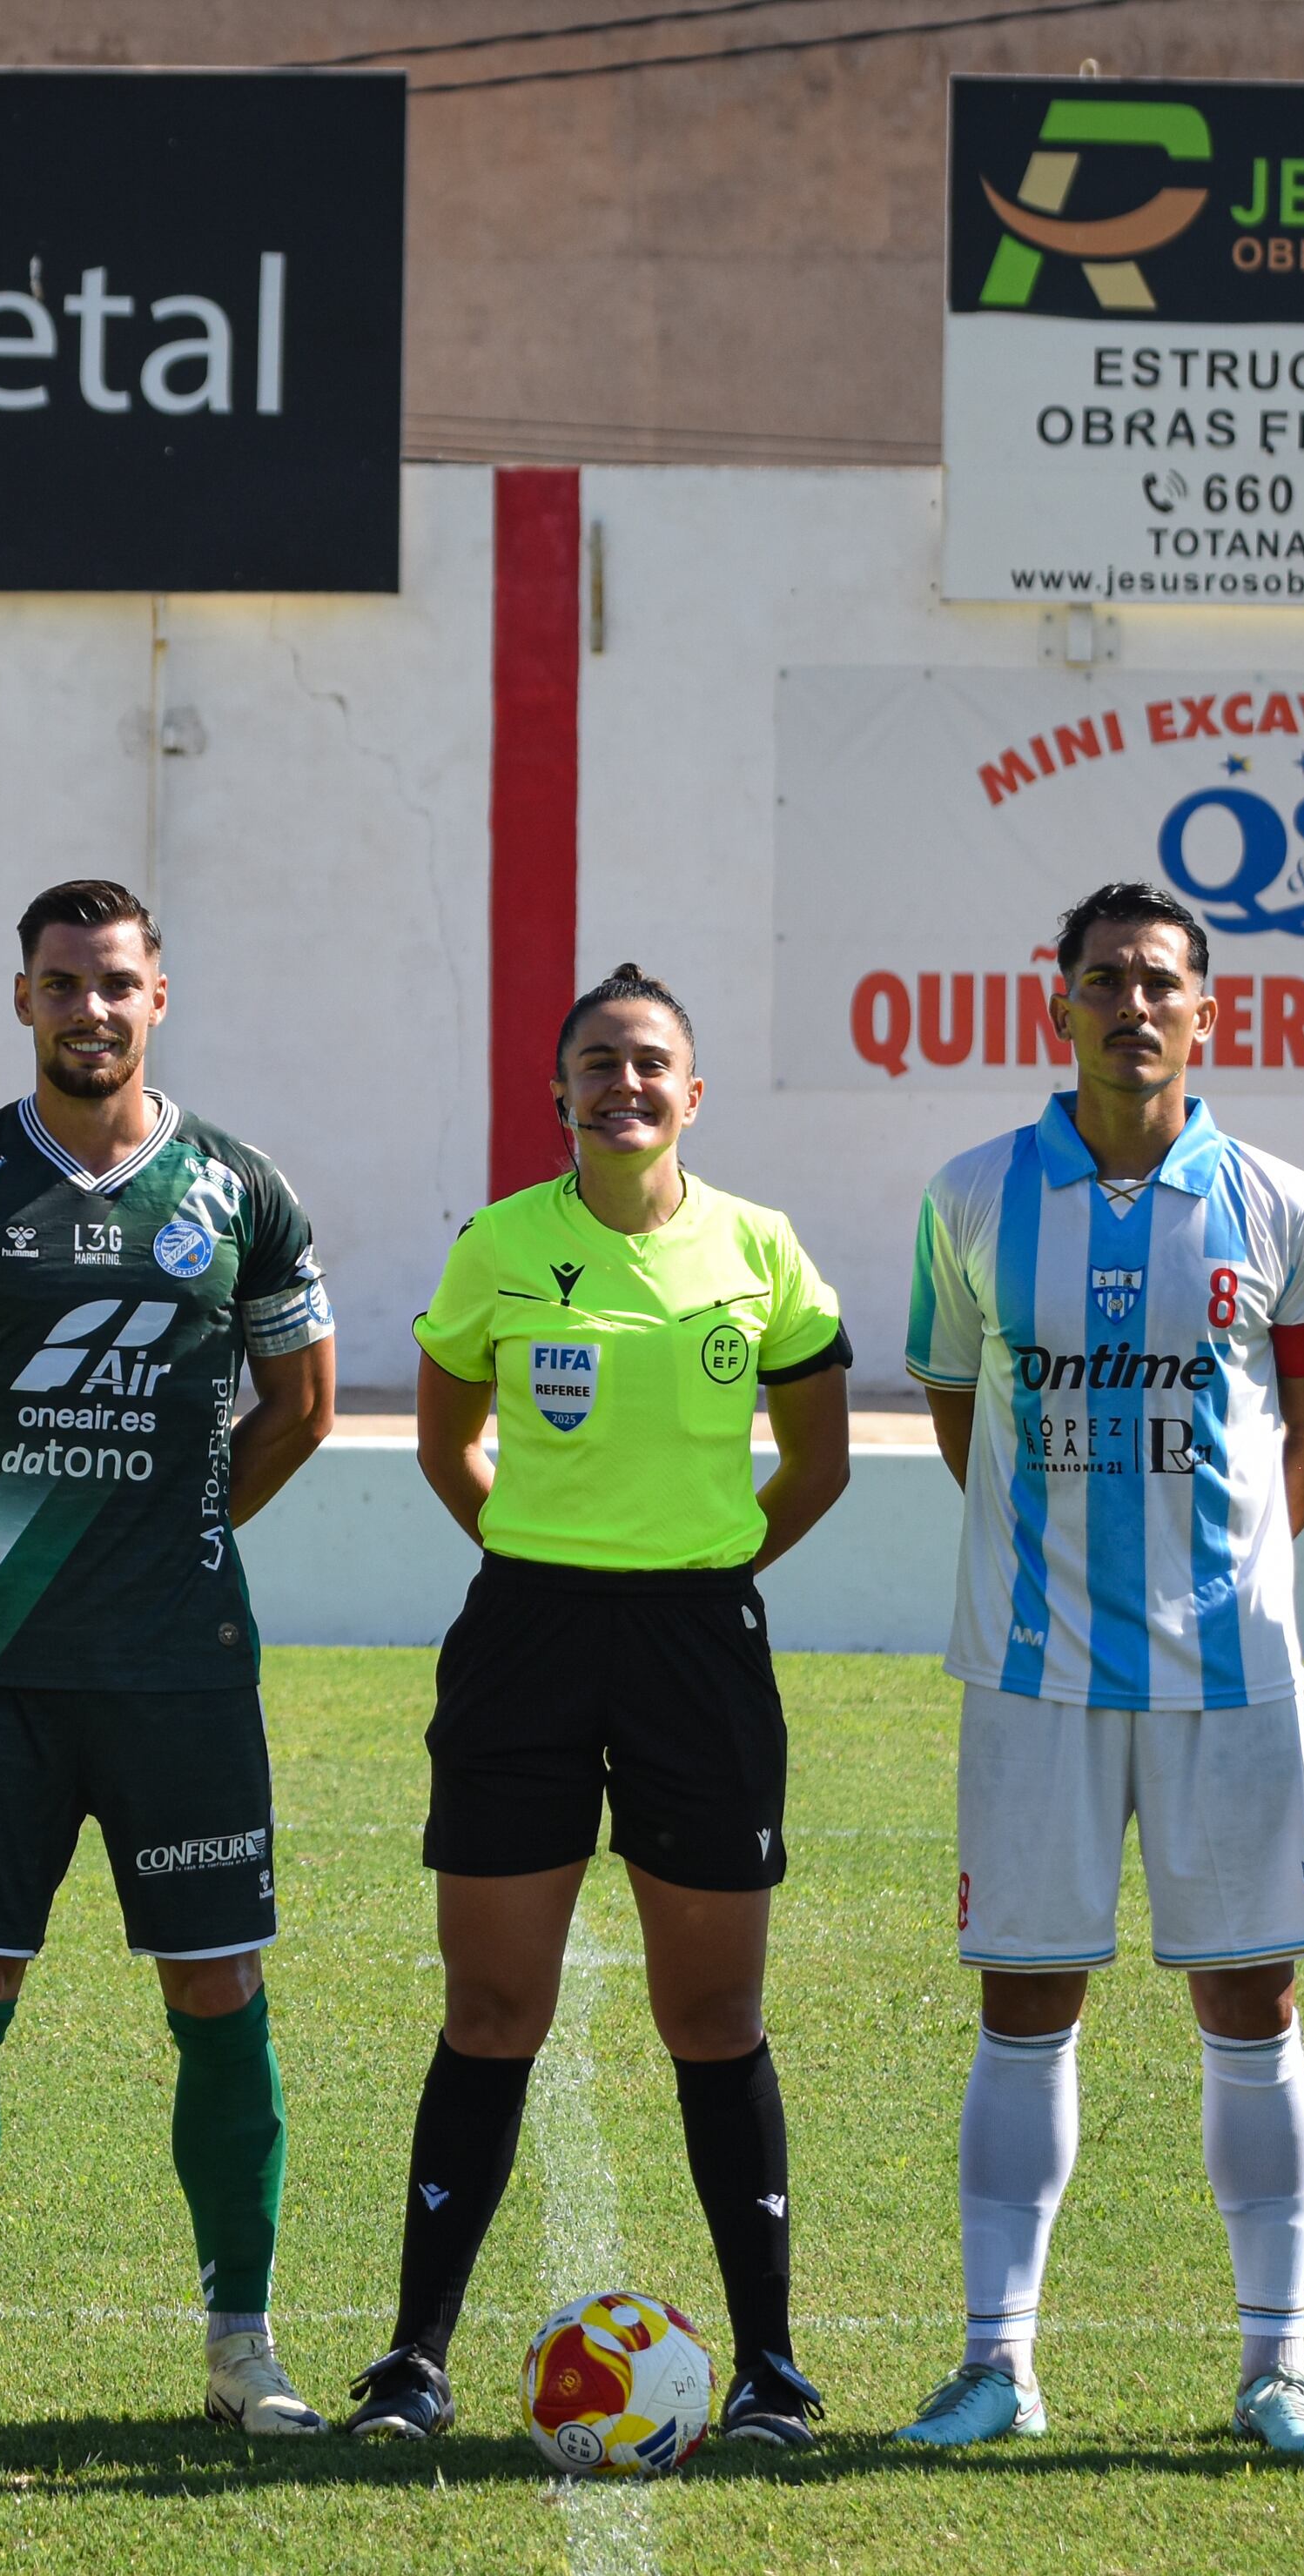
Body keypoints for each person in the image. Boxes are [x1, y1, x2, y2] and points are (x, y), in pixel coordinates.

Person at [0, 879, 342, 2442]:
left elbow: (302, 1402)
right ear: (23, 1001)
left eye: (115, 983)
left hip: (183, 1672)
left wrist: (182, 1526)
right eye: (61, 984)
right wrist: (8, 1530)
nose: (89, 1009)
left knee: (217, 1984)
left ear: (157, 998)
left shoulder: (241, 1186)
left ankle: (242, 2343)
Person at [344, 965, 856, 2452]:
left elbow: (814, 1464)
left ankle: (771, 2366)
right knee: (492, 2007)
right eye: (596, 1065)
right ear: (558, 1093)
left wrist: (700, 1568)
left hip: (700, 1641)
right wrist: (547, 1556)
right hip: (528, 1636)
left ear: (693, 1094)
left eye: (651, 1065)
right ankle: (413, 2359)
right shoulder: (501, 1246)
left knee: (713, 2012)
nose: (623, 1086)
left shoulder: (760, 1248)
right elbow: (450, 1442)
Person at [890, 881, 1304, 2460]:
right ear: (1060, 1007)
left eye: (1160, 980)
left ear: (1209, 1009)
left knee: (1253, 1994)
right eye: (1103, 980)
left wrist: (1219, 1571)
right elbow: (963, 1416)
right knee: (1025, 1994)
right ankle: (997, 2361)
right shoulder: (969, 1196)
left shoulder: (1288, 1202)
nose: (1132, 1004)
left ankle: (1276, 2365)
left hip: (1230, 1670)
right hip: (1033, 1668)